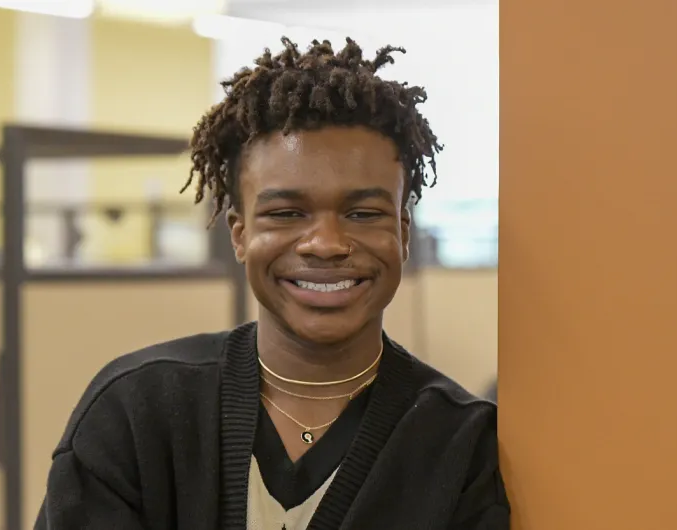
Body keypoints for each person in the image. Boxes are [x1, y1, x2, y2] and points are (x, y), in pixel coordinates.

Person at [34, 37, 509, 530]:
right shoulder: (136, 412)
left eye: (364, 213)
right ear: (239, 235)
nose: (326, 244)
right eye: (286, 213)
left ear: (403, 234)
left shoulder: (460, 445)